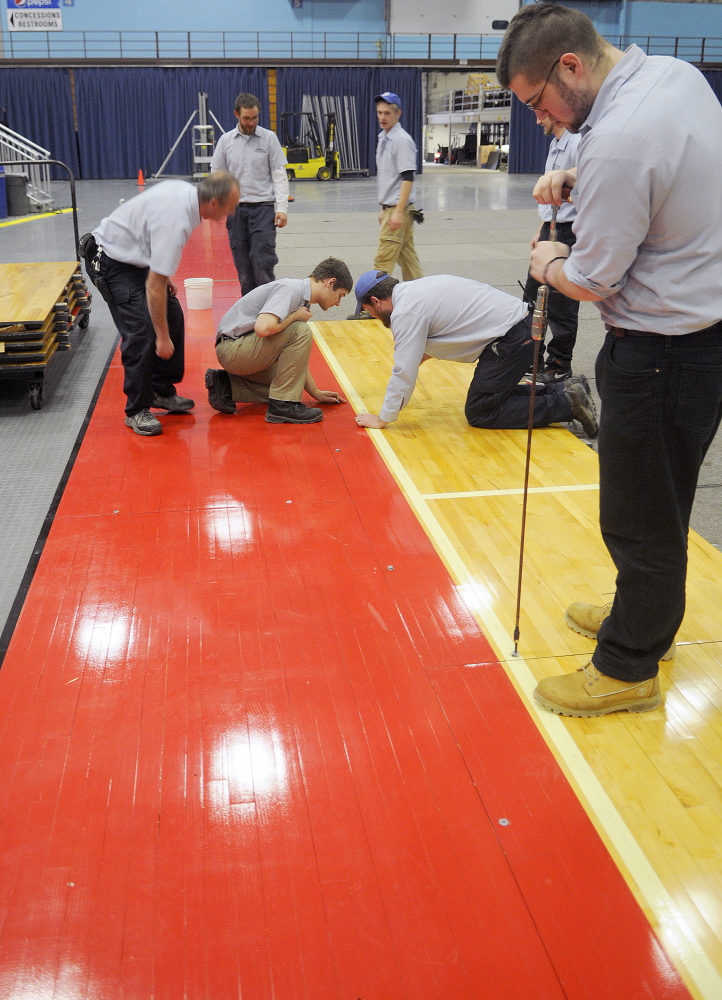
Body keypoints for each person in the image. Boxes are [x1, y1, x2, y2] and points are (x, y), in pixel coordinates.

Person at [497, 3, 722, 716]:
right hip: (699, 341)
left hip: (661, 356)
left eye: (539, 103)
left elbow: (592, 278)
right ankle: (644, 617)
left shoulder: (618, 139)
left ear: (571, 65)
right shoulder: (673, 76)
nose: (542, 120)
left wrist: (549, 259)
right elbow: (664, 181)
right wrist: (582, 181)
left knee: (638, 515)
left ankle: (629, 666)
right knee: (664, 500)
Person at [83, 172, 240, 436]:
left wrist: (163, 274)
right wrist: (163, 339)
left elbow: (148, 234)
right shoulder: (176, 220)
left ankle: (160, 391)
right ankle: (136, 410)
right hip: (110, 261)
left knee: (174, 313)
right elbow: (153, 287)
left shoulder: (187, 196)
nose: (232, 212)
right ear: (214, 203)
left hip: (134, 258)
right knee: (142, 330)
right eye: (230, 206)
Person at [352, 270, 597, 435]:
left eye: (369, 311)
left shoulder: (406, 312)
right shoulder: (415, 290)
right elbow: (443, 333)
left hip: (513, 339)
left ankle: (566, 403)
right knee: (495, 394)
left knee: (482, 411)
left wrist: (384, 417)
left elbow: (404, 371)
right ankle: (566, 389)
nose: (372, 317)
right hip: (520, 329)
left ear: (376, 300)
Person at [204, 257, 352, 424]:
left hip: (239, 349)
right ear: (330, 283)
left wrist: (315, 392)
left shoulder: (301, 297)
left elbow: (295, 364)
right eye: (340, 296)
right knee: (301, 330)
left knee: (287, 382)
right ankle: (283, 407)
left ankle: (226, 386)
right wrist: (295, 317)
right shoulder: (292, 289)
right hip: (233, 349)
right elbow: (262, 328)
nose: (338, 303)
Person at [210, 92, 289, 296]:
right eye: (246, 118)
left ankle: (269, 310)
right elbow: (217, 176)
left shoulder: (269, 139)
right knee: (244, 269)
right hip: (235, 211)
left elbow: (279, 175)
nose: (251, 122)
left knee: (262, 263)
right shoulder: (225, 141)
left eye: (255, 118)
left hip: (263, 208)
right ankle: (249, 313)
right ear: (237, 114)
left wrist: (282, 208)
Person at [521, 118, 581, 384]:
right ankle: (531, 358)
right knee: (532, 298)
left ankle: (559, 363)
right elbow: (551, 199)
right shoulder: (556, 143)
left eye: (540, 110)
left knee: (561, 305)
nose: (536, 119)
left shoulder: (577, 142)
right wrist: (541, 229)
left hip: (570, 231)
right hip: (551, 227)